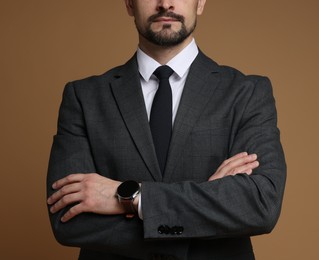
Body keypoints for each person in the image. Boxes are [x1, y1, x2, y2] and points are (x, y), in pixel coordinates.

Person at [46, 0, 286, 259]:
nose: (165, 4)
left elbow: (260, 204)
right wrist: (207, 202)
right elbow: (68, 220)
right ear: (129, 3)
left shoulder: (247, 93)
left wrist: (128, 197)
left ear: (201, 2)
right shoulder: (84, 98)